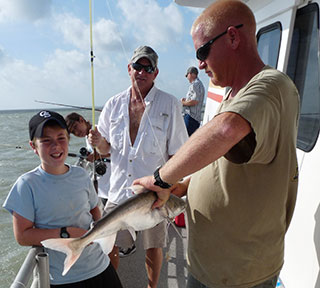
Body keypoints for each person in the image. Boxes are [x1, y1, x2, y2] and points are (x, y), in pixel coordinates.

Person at [133, 1, 300, 288]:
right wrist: (184, 186)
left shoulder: (271, 86)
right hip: (209, 265)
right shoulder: (233, 95)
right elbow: (221, 158)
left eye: (202, 51)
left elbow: (225, 129)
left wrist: (161, 178)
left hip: (240, 273)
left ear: (233, 37)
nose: (199, 63)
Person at [88, 45, 188, 287]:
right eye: (137, 66)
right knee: (110, 245)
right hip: (118, 189)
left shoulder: (170, 104)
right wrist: (99, 143)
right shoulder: (112, 104)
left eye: (148, 67)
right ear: (129, 69)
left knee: (154, 245)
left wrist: (171, 185)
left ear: (155, 73)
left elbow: (178, 152)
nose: (142, 72)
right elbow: (105, 150)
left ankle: (152, 287)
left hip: (154, 192)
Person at [3, 110, 123, 287]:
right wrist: (66, 233)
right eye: (46, 141)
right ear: (33, 146)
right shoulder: (26, 185)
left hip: (100, 266)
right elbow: (22, 236)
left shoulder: (82, 175)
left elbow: (94, 210)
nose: (56, 146)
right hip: (62, 278)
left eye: (61, 138)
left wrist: (103, 236)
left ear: (68, 140)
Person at [65, 112, 110, 205]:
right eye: (73, 132)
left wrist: (95, 156)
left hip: (111, 184)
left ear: (81, 120)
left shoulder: (98, 131)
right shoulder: (87, 137)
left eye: (76, 127)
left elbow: (113, 150)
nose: (76, 133)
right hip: (103, 187)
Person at [181, 66, 205, 135]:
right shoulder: (198, 84)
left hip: (191, 118)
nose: (187, 78)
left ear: (191, 74)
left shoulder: (195, 84)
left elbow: (194, 101)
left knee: (185, 139)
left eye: (187, 75)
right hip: (194, 118)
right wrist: (186, 100)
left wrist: (183, 102)